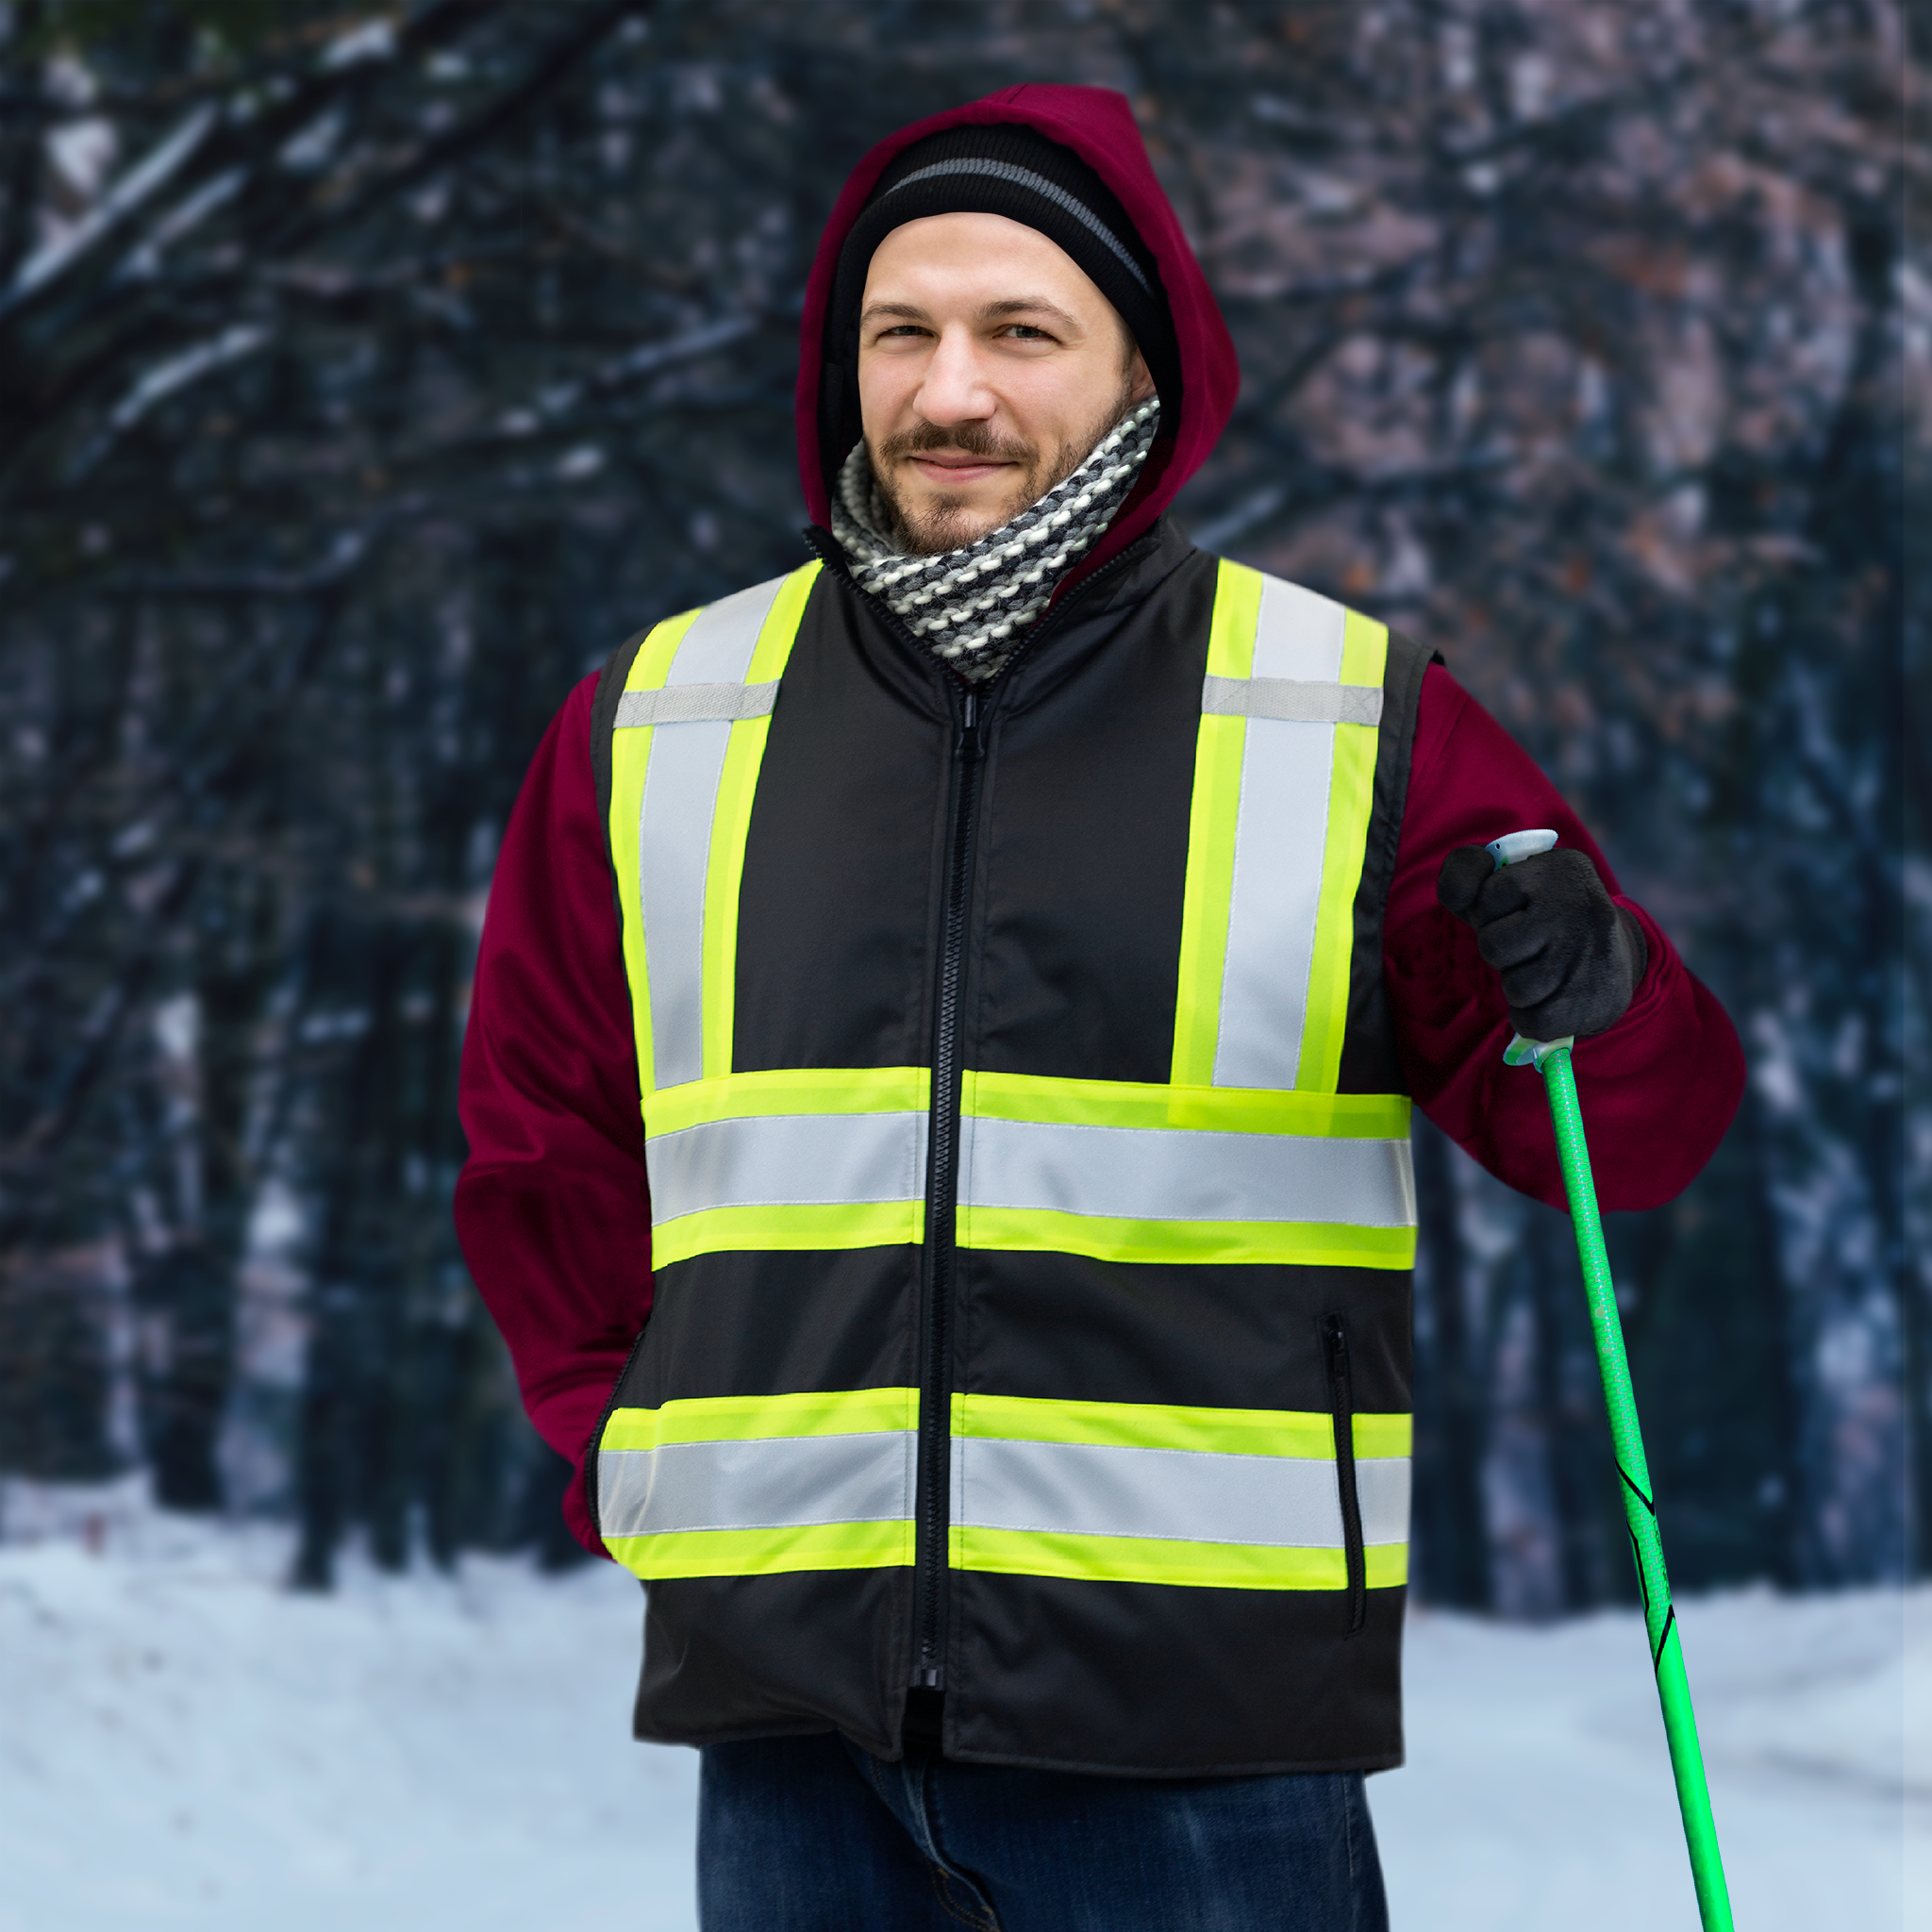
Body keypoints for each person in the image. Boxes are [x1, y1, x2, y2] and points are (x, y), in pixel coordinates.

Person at [454, 85, 1743, 1932]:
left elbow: (1622, 1132)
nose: (950, 390)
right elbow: (543, 1147)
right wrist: (627, 1460)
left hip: (1204, 1736)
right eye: (900, 332)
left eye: (1021, 332)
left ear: (1146, 365)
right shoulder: (659, 717)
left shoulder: (1349, 714)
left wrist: (1599, 993)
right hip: (795, 1736)